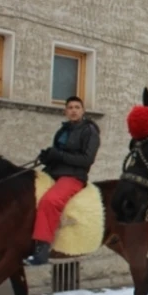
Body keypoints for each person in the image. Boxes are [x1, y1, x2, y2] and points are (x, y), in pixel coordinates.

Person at [24, 96, 100, 266]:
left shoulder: (90, 131)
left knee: (49, 202)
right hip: (54, 173)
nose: (73, 110)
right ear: (65, 112)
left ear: (83, 111)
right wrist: (48, 158)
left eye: (77, 107)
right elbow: (58, 155)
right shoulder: (62, 131)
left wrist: (59, 156)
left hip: (73, 176)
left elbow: (87, 160)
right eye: (70, 107)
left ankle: (42, 250)